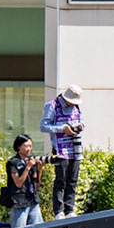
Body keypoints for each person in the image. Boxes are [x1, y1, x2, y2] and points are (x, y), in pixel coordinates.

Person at [41, 83, 85, 217]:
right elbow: (44, 126)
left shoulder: (76, 107)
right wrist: (62, 128)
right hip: (60, 148)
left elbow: (82, 121)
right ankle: (59, 210)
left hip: (75, 147)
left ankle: (69, 209)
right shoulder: (52, 106)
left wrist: (80, 126)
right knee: (61, 179)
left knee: (73, 179)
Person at [6, 134, 44, 228]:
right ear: (19, 146)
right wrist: (28, 167)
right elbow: (18, 183)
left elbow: (37, 181)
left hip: (32, 199)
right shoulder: (13, 163)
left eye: (30, 146)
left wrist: (40, 168)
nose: (28, 149)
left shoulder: (31, 160)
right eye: (26, 146)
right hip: (19, 201)